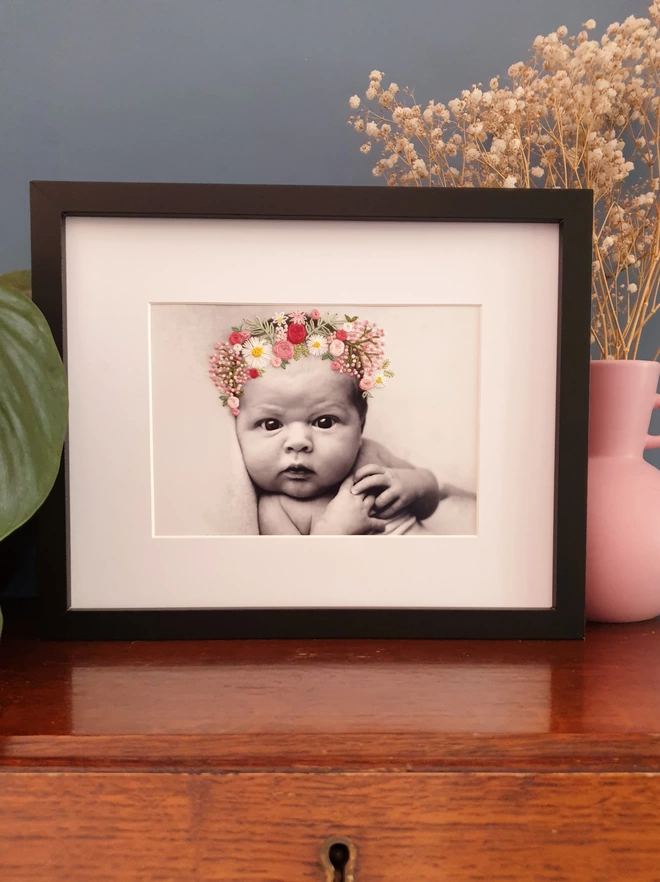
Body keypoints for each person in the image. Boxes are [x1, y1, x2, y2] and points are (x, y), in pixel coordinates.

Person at [208, 309, 443, 535]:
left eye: (324, 422)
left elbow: (431, 500)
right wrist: (335, 531)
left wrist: (412, 485)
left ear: (360, 424)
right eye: (271, 424)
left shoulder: (372, 458)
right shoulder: (276, 510)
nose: (299, 442)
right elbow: (296, 569)